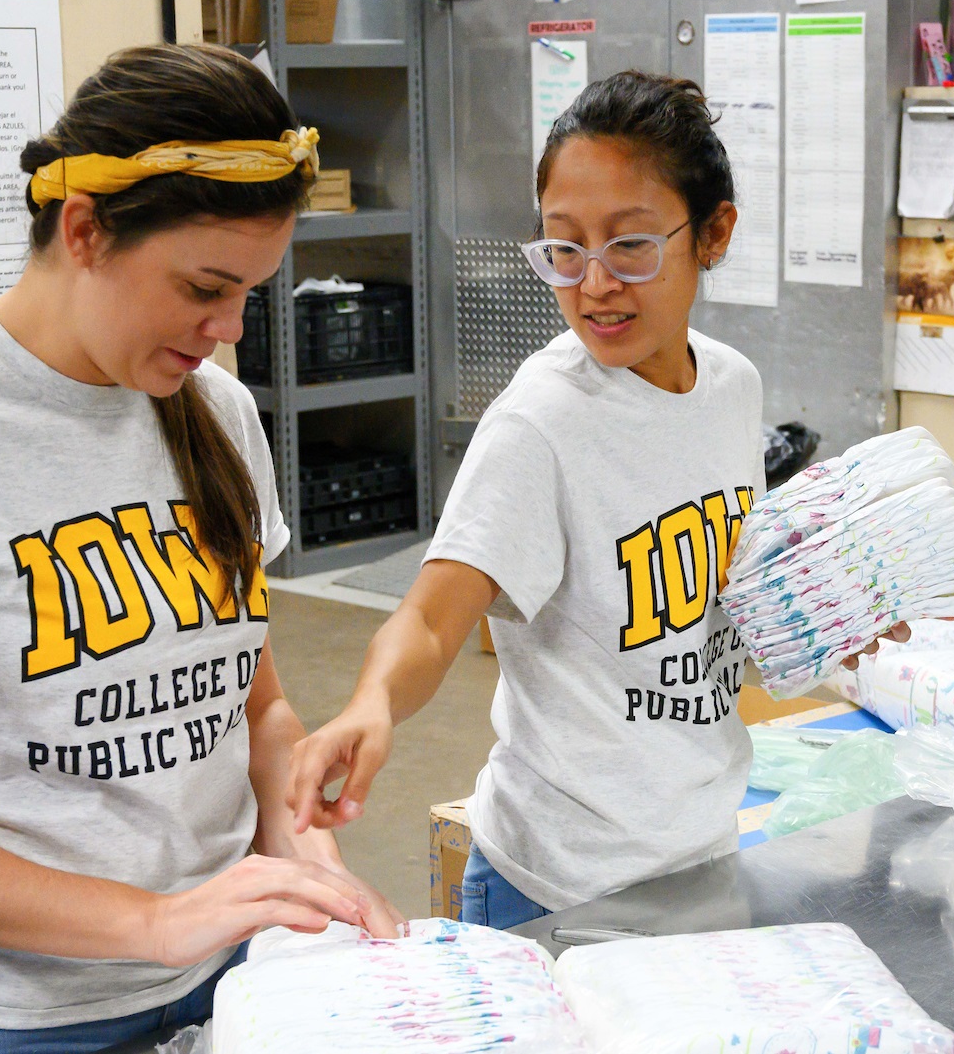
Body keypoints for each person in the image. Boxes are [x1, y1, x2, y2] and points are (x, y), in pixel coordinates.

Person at [0, 44, 398, 1054]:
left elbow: (257, 706)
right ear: (86, 229)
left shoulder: (216, 414)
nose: (229, 330)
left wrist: (311, 873)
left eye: (250, 295)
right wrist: (149, 921)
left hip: (221, 980)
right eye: (204, 287)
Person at [285, 71, 902, 930]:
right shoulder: (540, 424)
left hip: (700, 848)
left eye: (631, 246)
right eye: (563, 248)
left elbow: (715, 600)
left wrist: (834, 622)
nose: (594, 283)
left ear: (713, 232)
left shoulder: (732, 387)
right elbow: (432, 618)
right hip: (560, 882)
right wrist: (371, 704)